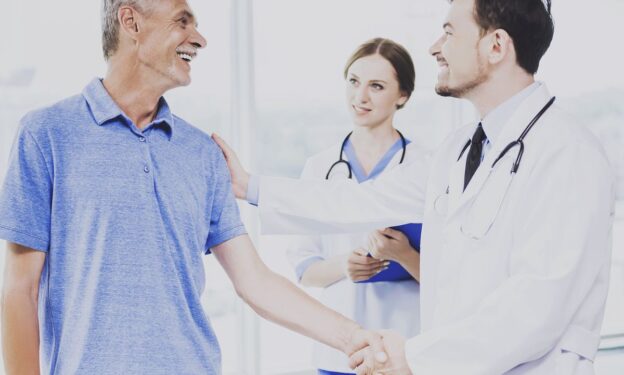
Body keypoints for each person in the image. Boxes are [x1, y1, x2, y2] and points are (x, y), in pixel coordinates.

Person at [213, 0, 616, 373]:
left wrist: (412, 356)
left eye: (449, 32)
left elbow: (535, 311)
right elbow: (360, 199)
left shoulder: (568, 153)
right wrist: (251, 186)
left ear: (496, 45)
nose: (435, 47)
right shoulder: (456, 151)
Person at [0, 1, 387, 374]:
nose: (200, 39)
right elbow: (21, 291)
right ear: (131, 23)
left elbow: (255, 281)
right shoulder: (47, 135)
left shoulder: (200, 153)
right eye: (182, 22)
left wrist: (352, 337)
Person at [286, 38, 426, 375]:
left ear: (403, 95)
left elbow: (453, 278)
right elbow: (305, 270)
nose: (360, 97)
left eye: (376, 86)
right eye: (353, 82)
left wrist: (405, 255)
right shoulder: (319, 168)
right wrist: (345, 266)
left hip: (407, 353)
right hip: (338, 356)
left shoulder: (428, 168)